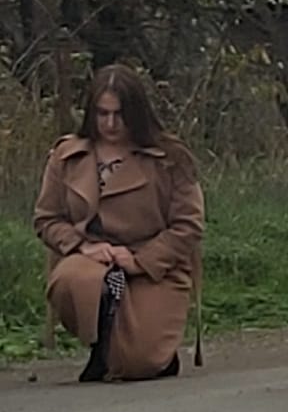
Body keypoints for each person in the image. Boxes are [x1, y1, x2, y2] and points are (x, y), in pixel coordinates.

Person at [34, 65, 204, 383]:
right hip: (90, 259)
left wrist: (140, 260)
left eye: (119, 114)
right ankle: (100, 348)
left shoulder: (170, 157)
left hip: (155, 264)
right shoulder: (66, 156)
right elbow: (46, 218)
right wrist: (83, 246)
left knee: (138, 365)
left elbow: (189, 226)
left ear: (136, 113)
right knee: (74, 280)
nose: (110, 124)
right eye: (102, 113)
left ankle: (145, 355)